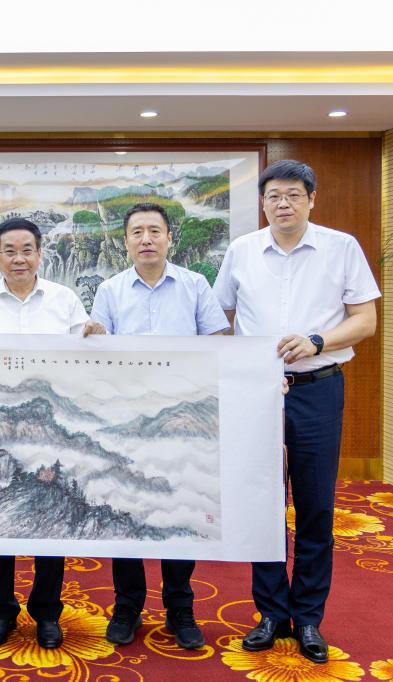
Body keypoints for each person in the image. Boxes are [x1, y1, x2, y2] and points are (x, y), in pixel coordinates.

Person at [212, 160, 379, 664]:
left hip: (318, 389)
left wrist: (317, 340)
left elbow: (366, 320)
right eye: (273, 196)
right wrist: (239, 369)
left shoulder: (341, 247)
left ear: (311, 199)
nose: (282, 204)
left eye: (292, 195)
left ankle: (308, 617)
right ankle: (270, 613)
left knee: (315, 506)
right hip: (256, 393)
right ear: (262, 203)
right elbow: (220, 318)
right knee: (261, 504)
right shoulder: (242, 250)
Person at [83, 202, 229, 650]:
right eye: (137, 232)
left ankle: (180, 608)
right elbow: (98, 354)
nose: (146, 239)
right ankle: (127, 605)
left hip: (183, 415)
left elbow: (219, 345)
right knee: (125, 506)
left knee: (180, 507)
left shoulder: (195, 285)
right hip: (125, 417)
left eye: (154, 231)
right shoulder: (109, 290)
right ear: (125, 241)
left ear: (169, 237)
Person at [0, 216, 89, 649]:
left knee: (52, 514)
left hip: (50, 425)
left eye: (27, 250)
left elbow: (87, 357)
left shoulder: (65, 301)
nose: (19, 258)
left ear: (39, 254)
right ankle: (1, 611)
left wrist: (96, 337)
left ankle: (47, 612)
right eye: (9, 251)